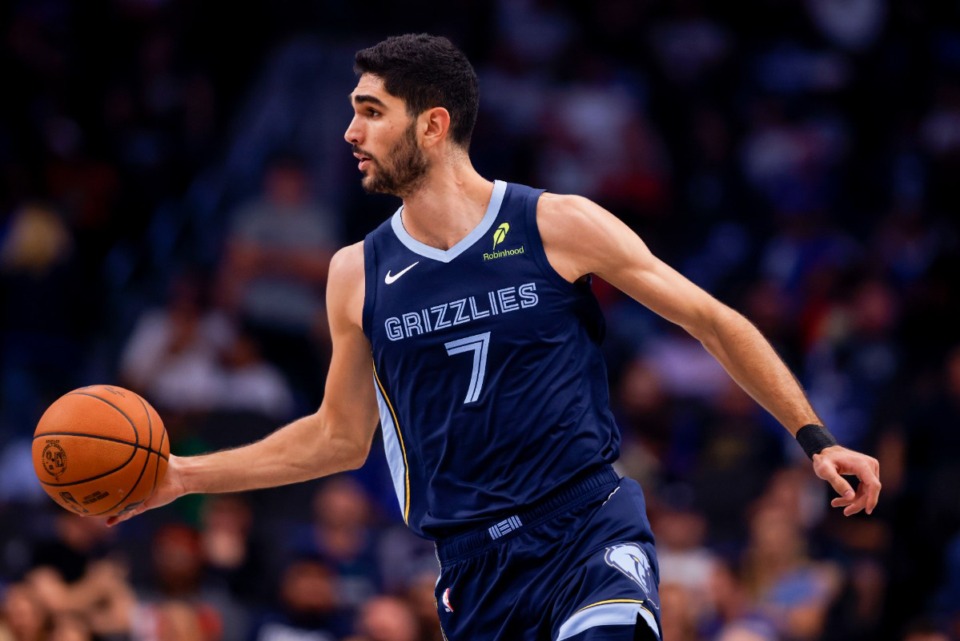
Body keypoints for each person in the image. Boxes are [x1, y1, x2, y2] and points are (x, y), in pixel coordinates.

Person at [109, 33, 882, 641]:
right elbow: (339, 437)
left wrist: (814, 435)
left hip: (586, 521)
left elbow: (711, 318)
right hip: (473, 566)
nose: (349, 130)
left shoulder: (555, 223)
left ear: (434, 123)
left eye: (371, 110)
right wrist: (182, 476)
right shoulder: (356, 271)